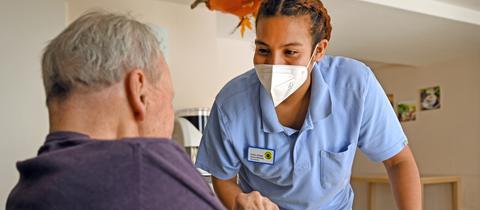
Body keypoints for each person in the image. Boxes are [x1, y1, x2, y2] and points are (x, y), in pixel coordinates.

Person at [195, 0, 422, 210]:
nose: (274, 64)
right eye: (263, 50)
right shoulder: (231, 105)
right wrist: (239, 201)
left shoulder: (355, 86)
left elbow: (397, 161)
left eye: (290, 52)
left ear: (319, 51)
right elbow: (223, 177)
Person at [6, 11, 224, 210]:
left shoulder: (26, 190)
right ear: (139, 91)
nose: (169, 116)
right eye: (169, 101)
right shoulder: (144, 161)